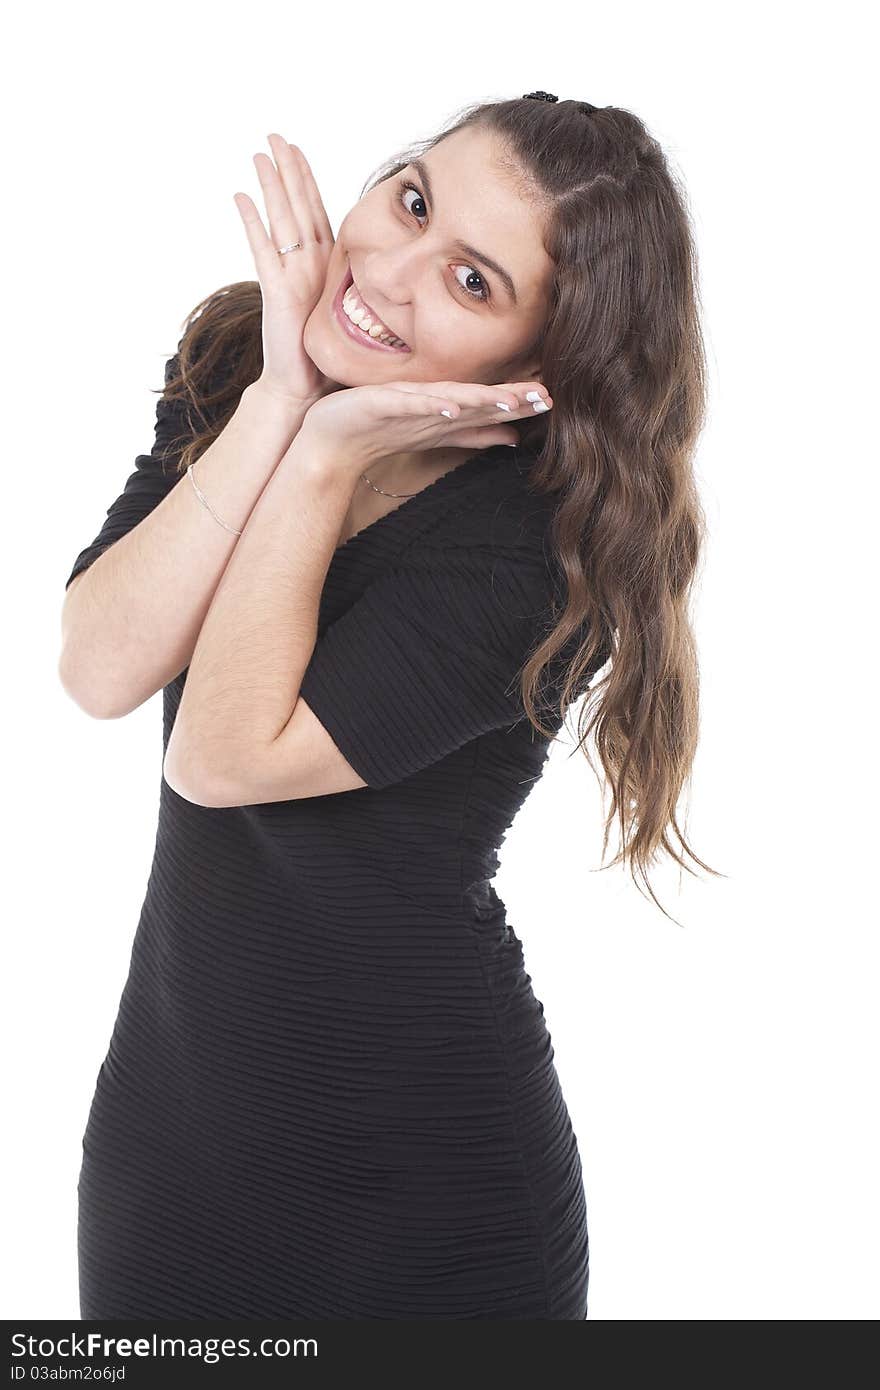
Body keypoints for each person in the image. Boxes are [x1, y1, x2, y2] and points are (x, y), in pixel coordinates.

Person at [60, 93, 715, 1319]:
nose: (390, 274)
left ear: (539, 365)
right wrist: (277, 403)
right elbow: (98, 668)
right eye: (410, 200)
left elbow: (221, 759)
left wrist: (321, 454)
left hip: (422, 1196)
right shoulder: (241, 366)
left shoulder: (534, 554)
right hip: (169, 1145)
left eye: (471, 281)